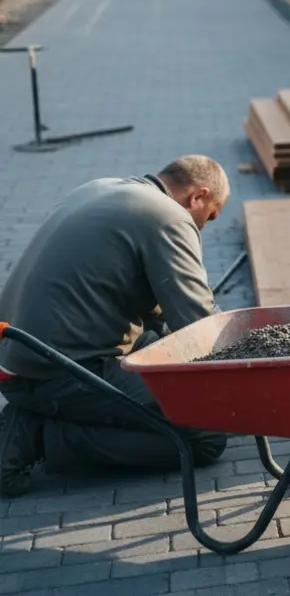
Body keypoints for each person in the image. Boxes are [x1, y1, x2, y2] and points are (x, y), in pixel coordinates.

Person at [0, 155, 233, 498]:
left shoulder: (100, 188)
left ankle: (40, 417)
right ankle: (37, 434)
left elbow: (157, 315)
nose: (202, 227)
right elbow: (197, 321)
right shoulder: (169, 217)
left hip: (18, 358)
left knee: (156, 347)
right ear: (197, 196)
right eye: (209, 216)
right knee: (206, 436)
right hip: (56, 374)